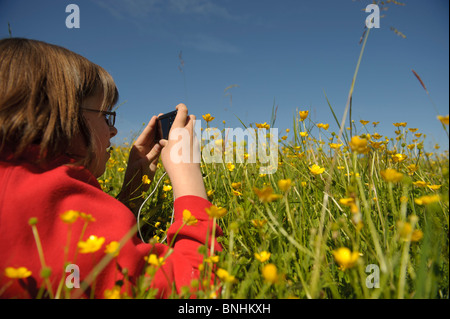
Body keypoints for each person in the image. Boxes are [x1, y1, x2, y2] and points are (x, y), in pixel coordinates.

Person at [0, 38, 223, 299]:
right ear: (64, 117)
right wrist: (187, 174)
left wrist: (131, 194)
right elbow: (194, 287)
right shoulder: (56, 197)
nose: (114, 130)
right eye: (106, 116)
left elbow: (94, 253)